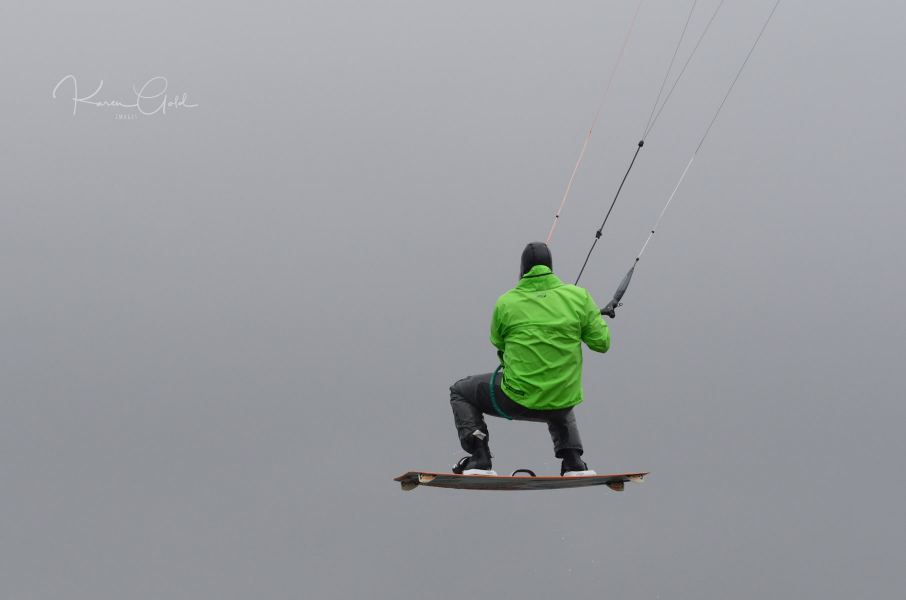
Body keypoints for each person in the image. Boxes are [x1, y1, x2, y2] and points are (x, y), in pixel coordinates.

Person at [449, 242, 611, 476]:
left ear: (522, 270)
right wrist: (594, 317)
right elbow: (602, 343)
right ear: (551, 267)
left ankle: (480, 457)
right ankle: (573, 460)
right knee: (558, 391)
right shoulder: (579, 297)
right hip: (561, 400)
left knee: (460, 391)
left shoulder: (506, 302)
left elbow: (498, 343)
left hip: (515, 398)